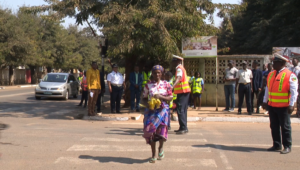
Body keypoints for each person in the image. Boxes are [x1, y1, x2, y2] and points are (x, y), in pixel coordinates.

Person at [262, 53, 298, 154]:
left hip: (284, 107)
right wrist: (265, 101)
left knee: (285, 127)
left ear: (282, 63)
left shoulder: (290, 75)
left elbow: (294, 91)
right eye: (273, 62)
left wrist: (292, 104)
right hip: (272, 106)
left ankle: (287, 146)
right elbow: (267, 89)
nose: (273, 64)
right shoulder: (271, 74)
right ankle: (276, 145)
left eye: (275, 62)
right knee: (274, 126)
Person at [142, 65, 173, 163]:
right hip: (151, 111)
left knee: (161, 131)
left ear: (162, 74)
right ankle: (153, 154)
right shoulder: (148, 85)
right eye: (155, 73)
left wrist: (161, 97)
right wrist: (149, 105)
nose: (157, 74)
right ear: (152, 74)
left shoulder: (166, 84)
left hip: (162, 111)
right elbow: (143, 98)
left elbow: (171, 97)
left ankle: (160, 148)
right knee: (150, 131)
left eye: (159, 73)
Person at [172, 55, 191, 134]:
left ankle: (183, 127)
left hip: (183, 91)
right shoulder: (180, 68)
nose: (172, 63)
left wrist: (172, 86)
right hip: (184, 92)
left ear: (178, 61)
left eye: (174, 61)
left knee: (180, 109)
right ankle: (183, 127)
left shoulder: (179, 68)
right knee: (183, 110)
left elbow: (179, 78)